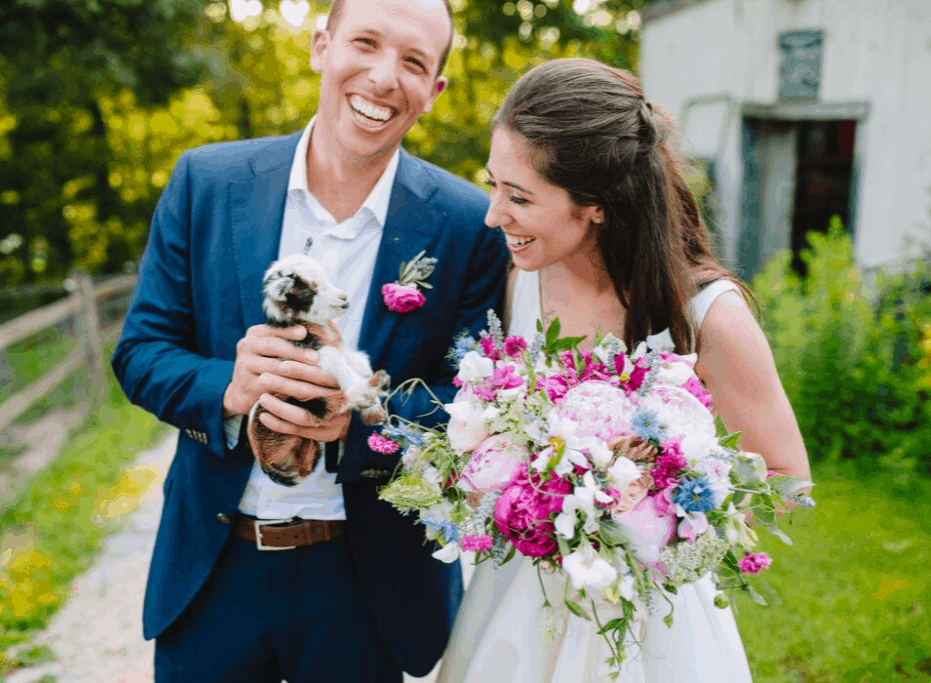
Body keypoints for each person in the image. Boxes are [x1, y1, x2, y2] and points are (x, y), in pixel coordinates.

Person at [109, 0, 509, 680]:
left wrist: (368, 419)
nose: (385, 77)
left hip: (367, 583)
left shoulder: (472, 225)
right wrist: (228, 389)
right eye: (366, 43)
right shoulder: (205, 182)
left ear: (434, 91)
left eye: (414, 61)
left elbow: (477, 401)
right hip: (214, 573)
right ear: (322, 45)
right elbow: (141, 351)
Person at [436, 59, 811, 683]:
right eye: (493, 184)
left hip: (652, 626)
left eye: (519, 196)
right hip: (516, 606)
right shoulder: (519, 283)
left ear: (597, 206)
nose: (491, 214)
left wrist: (656, 514)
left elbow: (789, 478)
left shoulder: (707, 315)